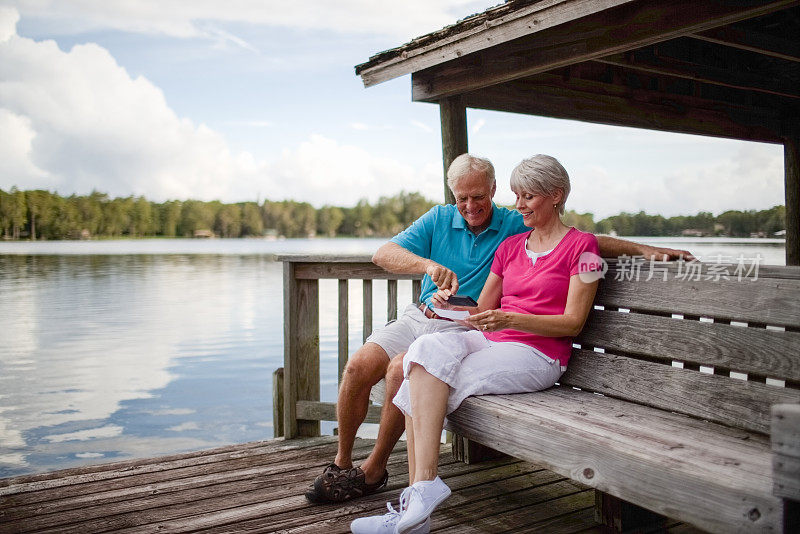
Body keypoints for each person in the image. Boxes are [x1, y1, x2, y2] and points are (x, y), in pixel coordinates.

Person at [304, 153, 691, 507]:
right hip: (440, 318)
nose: (471, 206)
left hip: (494, 337)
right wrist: (430, 272)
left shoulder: (521, 227)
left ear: (493, 192)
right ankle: (355, 468)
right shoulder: (465, 228)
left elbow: (583, 247)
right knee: (366, 366)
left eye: (480, 197)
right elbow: (385, 255)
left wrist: (641, 249)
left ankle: (382, 473)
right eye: (462, 198)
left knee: (404, 370)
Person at [351, 154, 601, 534]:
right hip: (493, 340)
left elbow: (573, 322)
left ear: (556, 196)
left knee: (430, 376)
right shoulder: (511, 247)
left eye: (528, 197)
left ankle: (415, 504)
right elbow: (482, 310)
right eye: (517, 196)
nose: (518, 205)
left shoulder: (585, 249)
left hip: (539, 354)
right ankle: (420, 498)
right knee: (420, 356)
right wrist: (444, 306)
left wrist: (509, 319)